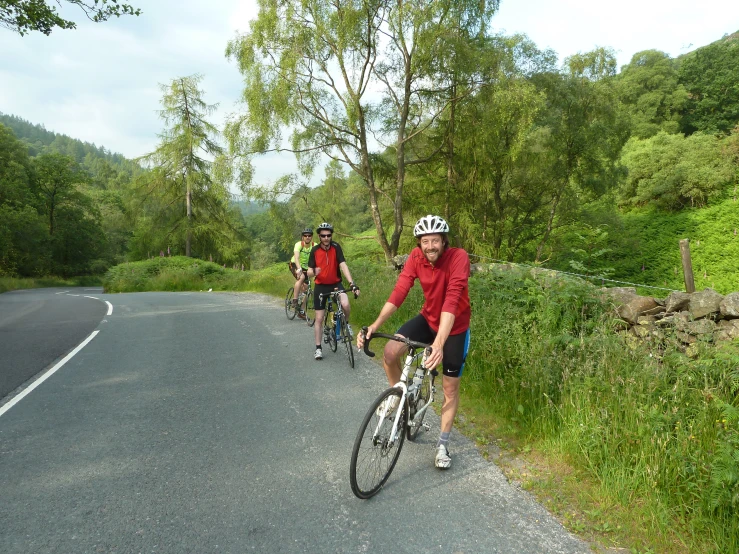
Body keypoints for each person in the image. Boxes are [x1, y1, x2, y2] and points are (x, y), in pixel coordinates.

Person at [356, 215, 470, 469]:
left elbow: (452, 300)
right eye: (425, 241)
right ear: (419, 243)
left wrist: (439, 344)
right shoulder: (416, 257)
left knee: (450, 388)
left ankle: (442, 444)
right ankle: (398, 396)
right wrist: (375, 325)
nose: (430, 246)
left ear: (444, 241)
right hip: (428, 319)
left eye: (435, 241)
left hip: (455, 328)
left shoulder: (458, 257)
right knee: (390, 351)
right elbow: (400, 291)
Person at [307, 222, 360, 360]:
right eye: (323, 235)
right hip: (320, 286)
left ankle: (345, 325)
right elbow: (309, 272)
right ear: (319, 236)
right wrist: (314, 272)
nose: (326, 238)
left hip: (336, 284)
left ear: (331, 236)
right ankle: (318, 348)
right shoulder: (315, 251)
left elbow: (343, 265)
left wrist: (352, 284)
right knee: (319, 318)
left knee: (346, 304)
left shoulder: (336, 247)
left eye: (328, 235)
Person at [292, 228, 316, 318]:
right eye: (305, 235)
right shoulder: (298, 245)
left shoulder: (314, 245)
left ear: (311, 237)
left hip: (307, 268)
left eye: (309, 235)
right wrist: (299, 269)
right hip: (295, 265)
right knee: (301, 277)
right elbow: (297, 258)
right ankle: (295, 299)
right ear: (302, 237)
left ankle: (301, 310)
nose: (307, 237)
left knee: (306, 289)